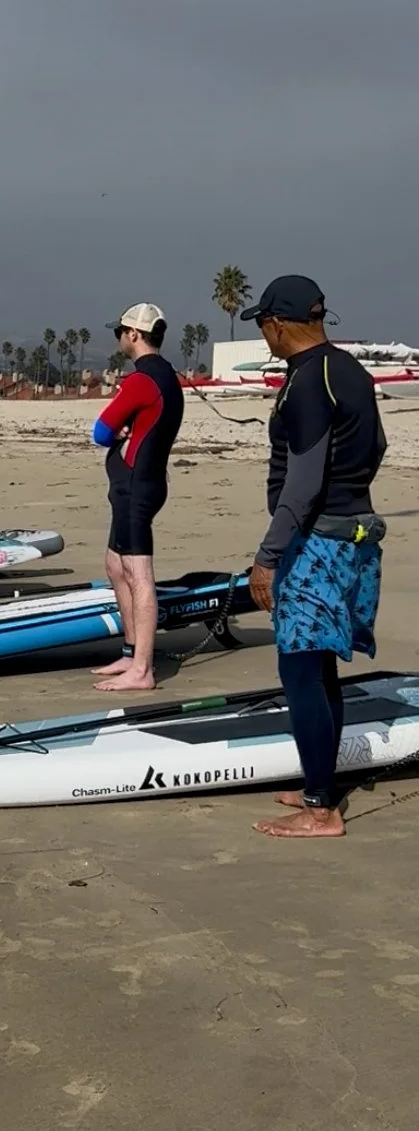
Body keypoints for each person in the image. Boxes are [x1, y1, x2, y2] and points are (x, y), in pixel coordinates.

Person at [241, 276, 386, 840]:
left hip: (318, 545)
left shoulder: (307, 382)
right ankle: (318, 782)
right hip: (355, 535)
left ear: (278, 324)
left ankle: (321, 809)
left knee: (300, 668)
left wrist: (268, 557)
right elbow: (376, 447)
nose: (264, 334)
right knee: (321, 664)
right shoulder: (350, 370)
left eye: (264, 324)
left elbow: (300, 483)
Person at [89, 302, 184, 692]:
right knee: (115, 565)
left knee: (138, 573)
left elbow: (100, 431)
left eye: (120, 332)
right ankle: (130, 653)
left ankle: (142, 669)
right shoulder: (165, 377)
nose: (118, 339)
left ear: (134, 335)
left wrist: (117, 432)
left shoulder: (143, 380)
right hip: (135, 485)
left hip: (137, 488)